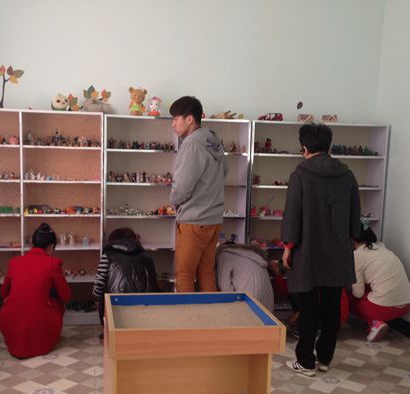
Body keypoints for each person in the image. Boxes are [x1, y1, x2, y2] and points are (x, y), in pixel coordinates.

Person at [281, 122, 361, 377]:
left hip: (308, 251)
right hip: (338, 251)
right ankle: (325, 358)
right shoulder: (347, 175)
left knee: (308, 306)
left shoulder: (300, 175)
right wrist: (352, 240)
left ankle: (305, 361)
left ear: (304, 148)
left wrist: (288, 247)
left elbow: (292, 215)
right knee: (331, 306)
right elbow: (355, 217)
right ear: (328, 146)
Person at [169, 96, 227, 292]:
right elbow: (224, 172)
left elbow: (182, 186)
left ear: (189, 119)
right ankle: (208, 313)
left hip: (193, 220)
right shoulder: (213, 140)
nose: (173, 124)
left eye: (176, 119)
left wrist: (174, 203)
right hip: (214, 219)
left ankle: (187, 314)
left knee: (185, 274)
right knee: (206, 273)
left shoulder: (191, 143)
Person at [0, 223, 71, 358]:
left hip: (11, 319)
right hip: (39, 324)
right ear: (51, 247)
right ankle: (44, 334)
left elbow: (3, 293)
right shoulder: (53, 263)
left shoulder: (14, 262)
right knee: (56, 303)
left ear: (32, 243)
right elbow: (65, 296)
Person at [350, 223, 410, 342]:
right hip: (407, 304)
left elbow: (358, 294)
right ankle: (376, 321)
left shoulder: (357, 255)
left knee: (349, 297)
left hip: (384, 309)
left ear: (352, 240)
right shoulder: (382, 248)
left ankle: (374, 322)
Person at [92, 227, 159, 328]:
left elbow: (99, 284)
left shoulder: (107, 257)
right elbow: (153, 283)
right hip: (145, 308)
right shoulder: (148, 258)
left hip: (116, 307)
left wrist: (97, 299)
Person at [216, 242, 274, 311]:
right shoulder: (253, 255)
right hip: (267, 305)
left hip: (247, 302)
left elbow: (226, 290)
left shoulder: (224, 255)